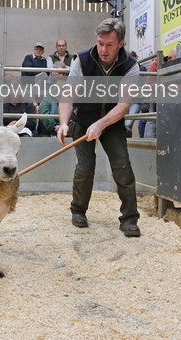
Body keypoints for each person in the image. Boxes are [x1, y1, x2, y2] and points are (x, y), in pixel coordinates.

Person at [57, 18, 141, 237]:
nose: (103, 50)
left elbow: (123, 105)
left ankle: (129, 219)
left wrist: (101, 124)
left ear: (121, 43)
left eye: (109, 45)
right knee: (85, 168)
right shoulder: (82, 60)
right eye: (100, 43)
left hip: (112, 123)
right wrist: (64, 123)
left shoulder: (130, 66)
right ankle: (78, 211)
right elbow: (68, 94)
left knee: (122, 167)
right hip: (83, 120)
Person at [143, 47, 176, 139]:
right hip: (157, 104)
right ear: (169, 59)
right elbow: (149, 86)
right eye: (178, 59)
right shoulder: (156, 64)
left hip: (174, 105)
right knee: (150, 132)